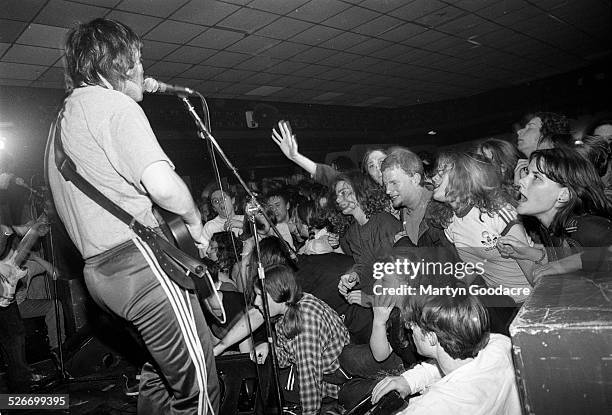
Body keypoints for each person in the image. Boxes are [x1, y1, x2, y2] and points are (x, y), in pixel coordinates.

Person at [46, 18, 218, 414]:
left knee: (160, 375)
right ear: (118, 62)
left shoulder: (61, 125)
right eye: (138, 59)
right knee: (199, 390)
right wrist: (194, 221)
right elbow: (162, 184)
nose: (143, 69)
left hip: (101, 277)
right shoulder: (111, 104)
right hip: (141, 269)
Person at [371, 295, 521, 415]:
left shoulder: (430, 408)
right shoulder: (501, 344)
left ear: (431, 337)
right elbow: (459, 363)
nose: (410, 329)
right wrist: (409, 380)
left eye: (413, 326)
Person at [497, 147, 612, 279]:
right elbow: (564, 258)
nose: (521, 181)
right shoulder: (551, 228)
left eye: (536, 177)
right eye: (527, 172)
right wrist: (528, 253)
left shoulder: (587, 227)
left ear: (563, 195)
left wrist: (568, 264)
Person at [251, 264, 350, 415]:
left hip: (329, 386)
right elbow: (286, 358)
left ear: (280, 294)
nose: (256, 302)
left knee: (266, 394)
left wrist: (309, 412)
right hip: (312, 373)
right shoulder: (290, 308)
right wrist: (269, 349)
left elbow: (309, 380)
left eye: (261, 296)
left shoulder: (305, 322)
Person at [514, 112, 570, 185]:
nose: (519, 131)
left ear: (548, 136)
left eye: (530, 127)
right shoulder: (524, 173)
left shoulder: (565, 171)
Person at [201, 187, 244, 255]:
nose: (220, 203)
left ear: (233, 200)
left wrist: (243, 226)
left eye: (223, 198)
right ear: (214, 208)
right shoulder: (210, 226)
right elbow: (204, 253)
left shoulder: (246, 220)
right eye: (216, 201)